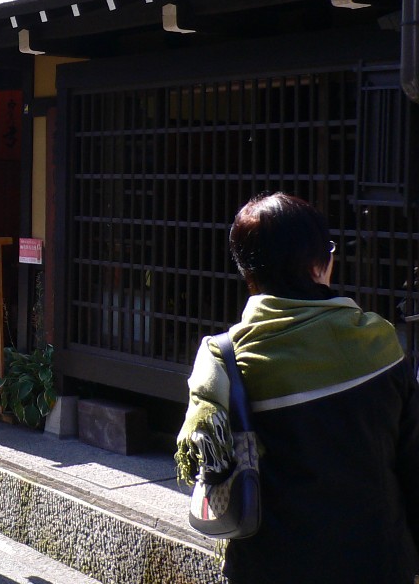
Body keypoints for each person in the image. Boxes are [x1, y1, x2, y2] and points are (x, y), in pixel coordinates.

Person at [176, 193, 419, 584]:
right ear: (320, 264)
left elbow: (213, 471)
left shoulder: (225, 358)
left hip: (270, 565)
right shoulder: (379, 343)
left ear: (248, 272)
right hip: (379, 559)